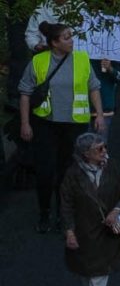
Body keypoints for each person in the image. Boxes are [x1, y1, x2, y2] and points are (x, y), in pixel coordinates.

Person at [17, 18, 106, 234]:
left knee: (67, 172)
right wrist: (25, 123)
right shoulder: (39, 62)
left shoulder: (82, 60)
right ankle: (45, 212)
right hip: (46, 124)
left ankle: (63, 214)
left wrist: (99, 115)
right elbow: (25, 92)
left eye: (71, 36)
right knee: (46, 171)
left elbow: (93, 87)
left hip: (73, 125)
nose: (72, 41)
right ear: (54, 43)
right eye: (67, 38)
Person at [63, 132, 120, 286]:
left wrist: (117, 210)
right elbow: (66, 204)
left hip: (108, 230)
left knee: (99, 272)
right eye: (99, 149)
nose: (105, 152)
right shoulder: (73, 175)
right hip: (84, 230)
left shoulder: (113, 167)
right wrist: (69, 231)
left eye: (105, 147)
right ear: (86, 154)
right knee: (86, 271)